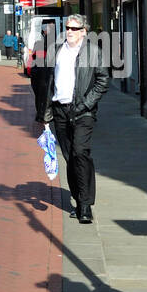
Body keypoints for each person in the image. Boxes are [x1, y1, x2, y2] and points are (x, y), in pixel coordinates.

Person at [40, 14, 109, 224]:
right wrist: (46, 111)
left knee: (80, 153)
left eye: (73, 28)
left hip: (83, 111)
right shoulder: (58, 50)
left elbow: (102, 81)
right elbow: (50, 81)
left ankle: (86, 205)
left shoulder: (93, 52)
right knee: (70, 158)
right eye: (67, 27)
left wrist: (86, 104)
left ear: (83, 31)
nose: (69, 31)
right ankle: (78, 201)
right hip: (60, 111)